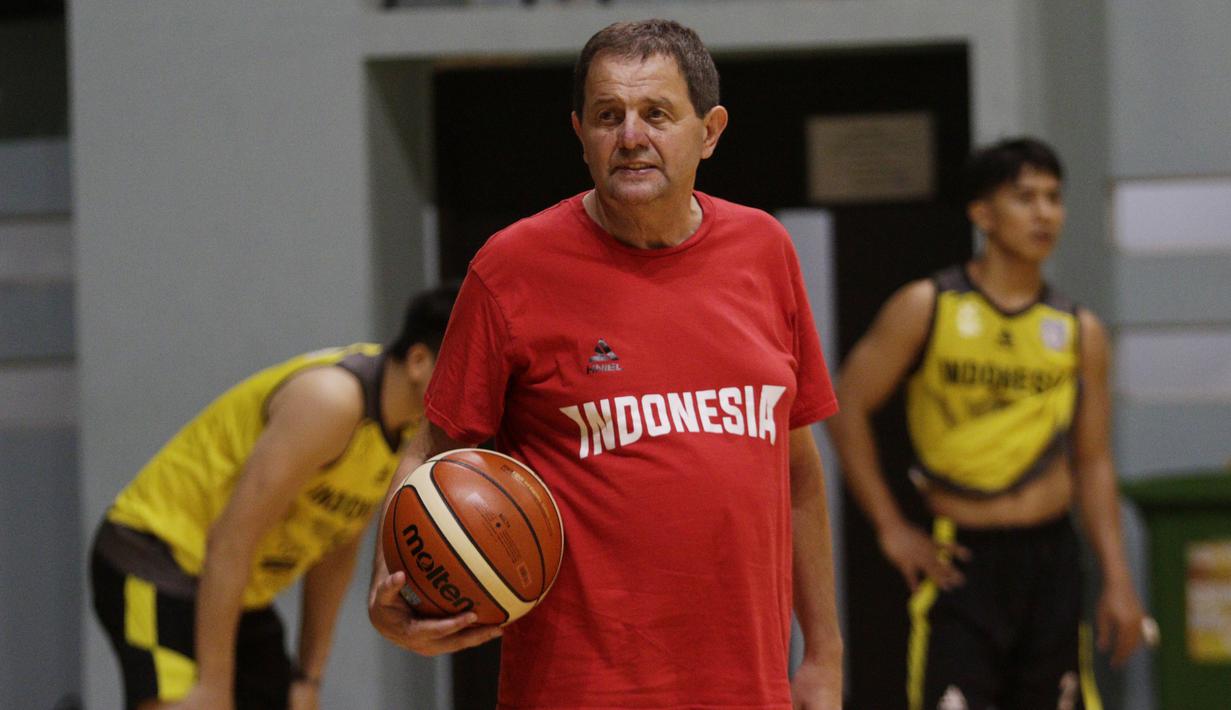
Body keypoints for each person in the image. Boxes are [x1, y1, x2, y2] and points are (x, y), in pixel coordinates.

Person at [368, 18, 843, 710]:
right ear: (579, 134)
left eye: (656, 114)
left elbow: (797, 471)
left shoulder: (763, 251)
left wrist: (824, 655)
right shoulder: (512, 267)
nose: (629, 137)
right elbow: (430, 452)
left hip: (746, 687)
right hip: (577, 690)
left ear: (708, 132)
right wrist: (391, 586)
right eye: (606, 116)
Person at [827, 137, 1147, 710]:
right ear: (982, 213)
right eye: (1024, 197)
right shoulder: (928, 305)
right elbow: (844, 402)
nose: (1044, 212)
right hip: (962, 558)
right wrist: (892, 528)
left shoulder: (1079, 331)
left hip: (1052, 557)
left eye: (1054, 198)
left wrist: (1118, 579)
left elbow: (1094, 462)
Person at [89, 284, 457, 710]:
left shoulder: (408, 430)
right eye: (468, 368)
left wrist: (308, 677)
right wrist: (213, 686)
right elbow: (232, 537)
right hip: (156, 557)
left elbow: (337, 549)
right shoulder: (331, 402)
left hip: (231, 586)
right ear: (418, 361)